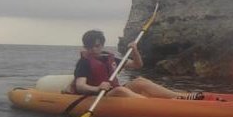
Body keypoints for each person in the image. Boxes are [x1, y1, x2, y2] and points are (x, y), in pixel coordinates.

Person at [68, 30, 203, 99]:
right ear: (85, 46)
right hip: (98, 95)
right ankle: (153, 106)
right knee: (120, 90)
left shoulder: (109, 57)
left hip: (113, 91)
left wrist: (135, 51)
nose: (93, 50)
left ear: (102, 45)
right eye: (89, 47)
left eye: (96, 46)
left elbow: (137, 65)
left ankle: (180, 97)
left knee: (139, 80)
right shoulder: (84, 62)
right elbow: (80, 86)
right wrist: (97, 88)